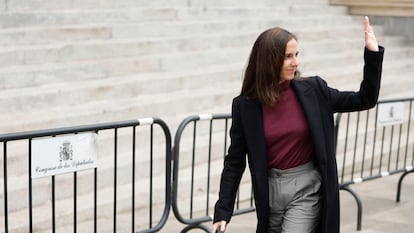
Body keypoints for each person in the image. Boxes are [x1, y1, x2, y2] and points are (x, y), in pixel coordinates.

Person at [212, 16, 384, 233]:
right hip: (269, 192)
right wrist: (223, 211)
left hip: (306, 188)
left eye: (297, 55)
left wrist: (372, 54)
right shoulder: (245, 106)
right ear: (268, 60)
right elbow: (234, 161)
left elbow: (364, 99)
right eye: (288, 57)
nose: (296, 62)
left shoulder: (314, 91)